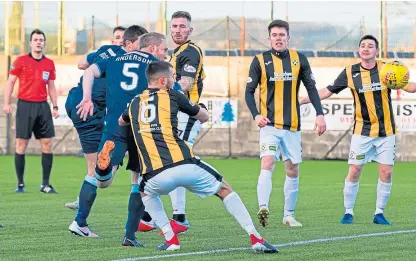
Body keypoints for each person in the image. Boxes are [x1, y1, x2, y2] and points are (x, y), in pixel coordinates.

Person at [119, 60, 278, 253]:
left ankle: (171, 239)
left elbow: (121, 121)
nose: (174, 80)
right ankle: (256, 237)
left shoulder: (135, 102)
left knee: (145, 192)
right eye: (171, 76)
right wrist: (198, 106)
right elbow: (202, 116)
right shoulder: (173, 96)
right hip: (184, 164)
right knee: (224, 189)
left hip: (154, 175)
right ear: (162, 80)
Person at [300, 34, 416, 225]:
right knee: (354, 170)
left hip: (386, 132)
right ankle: (348, 212)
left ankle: (379, 213)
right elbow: (329, 90)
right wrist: (305, 99)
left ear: (376, 51)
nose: (366, 48)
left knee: (386, 172)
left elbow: (407, 86)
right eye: (363, 45)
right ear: (358, 50)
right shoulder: (350, 72)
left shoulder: (386, 69)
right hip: (361, 132)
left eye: (370, 46)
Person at [76, 30, 168, 246]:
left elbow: (88, 71)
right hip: (143, 129)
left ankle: (104, 168)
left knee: (103, 182)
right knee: (139, 181)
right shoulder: (155, 64)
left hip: (114, 124)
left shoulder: (114, 58)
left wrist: (87, 99)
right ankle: (129, 236)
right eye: (164, 49)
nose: (165, 53)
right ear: (153, 47)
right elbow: (170, 89)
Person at [245, 20, 326, 228]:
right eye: (274, 35)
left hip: (292, 126)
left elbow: (311, 88)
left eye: (282, 35)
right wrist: (255, 115)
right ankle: (263, 206)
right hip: (269, 125)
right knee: (268, 162)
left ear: (288, 37)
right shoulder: (259, 61)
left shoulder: (300, 59)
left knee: (292, 170)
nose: (278, 38)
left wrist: (320, 114)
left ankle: (288, 216)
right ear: (269, 38)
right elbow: (248, 92)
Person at [139, 10, 206, 234]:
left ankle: (178, 218)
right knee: (168, 162)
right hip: (175, 115)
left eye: (182, 26)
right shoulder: (176, 53)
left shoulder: (190, 52)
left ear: (190, 29)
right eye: (174, 26)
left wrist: (162, 85)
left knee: (177, 163)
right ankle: (151, 217)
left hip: (187, 114)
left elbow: (185, 84)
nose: (177, 30)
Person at [64, 26, 126, 211]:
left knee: (94, 165)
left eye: (123, 37)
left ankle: (82, 201)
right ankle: (81, 213)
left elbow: (81, 64)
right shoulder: (119, 57)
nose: (121, 40)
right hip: (89, 108)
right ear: (114, 41)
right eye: (117, 37)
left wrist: (100, 60)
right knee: (100, 172)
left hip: (77, 102)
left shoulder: (103, 52)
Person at [3, 29, 59, 194]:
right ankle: (20, 184)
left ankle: (45, 185)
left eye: (41, 40)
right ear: (30, 42)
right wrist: (7, 103)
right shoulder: (20, 61)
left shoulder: (49, 63)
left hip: (43, 106)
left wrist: (55, 106)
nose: (38, 42)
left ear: (44, 43)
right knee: (21, 144)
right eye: (35, 39)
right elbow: (10, 82)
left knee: (47, 144)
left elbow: (51, 86)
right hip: (25, 105)